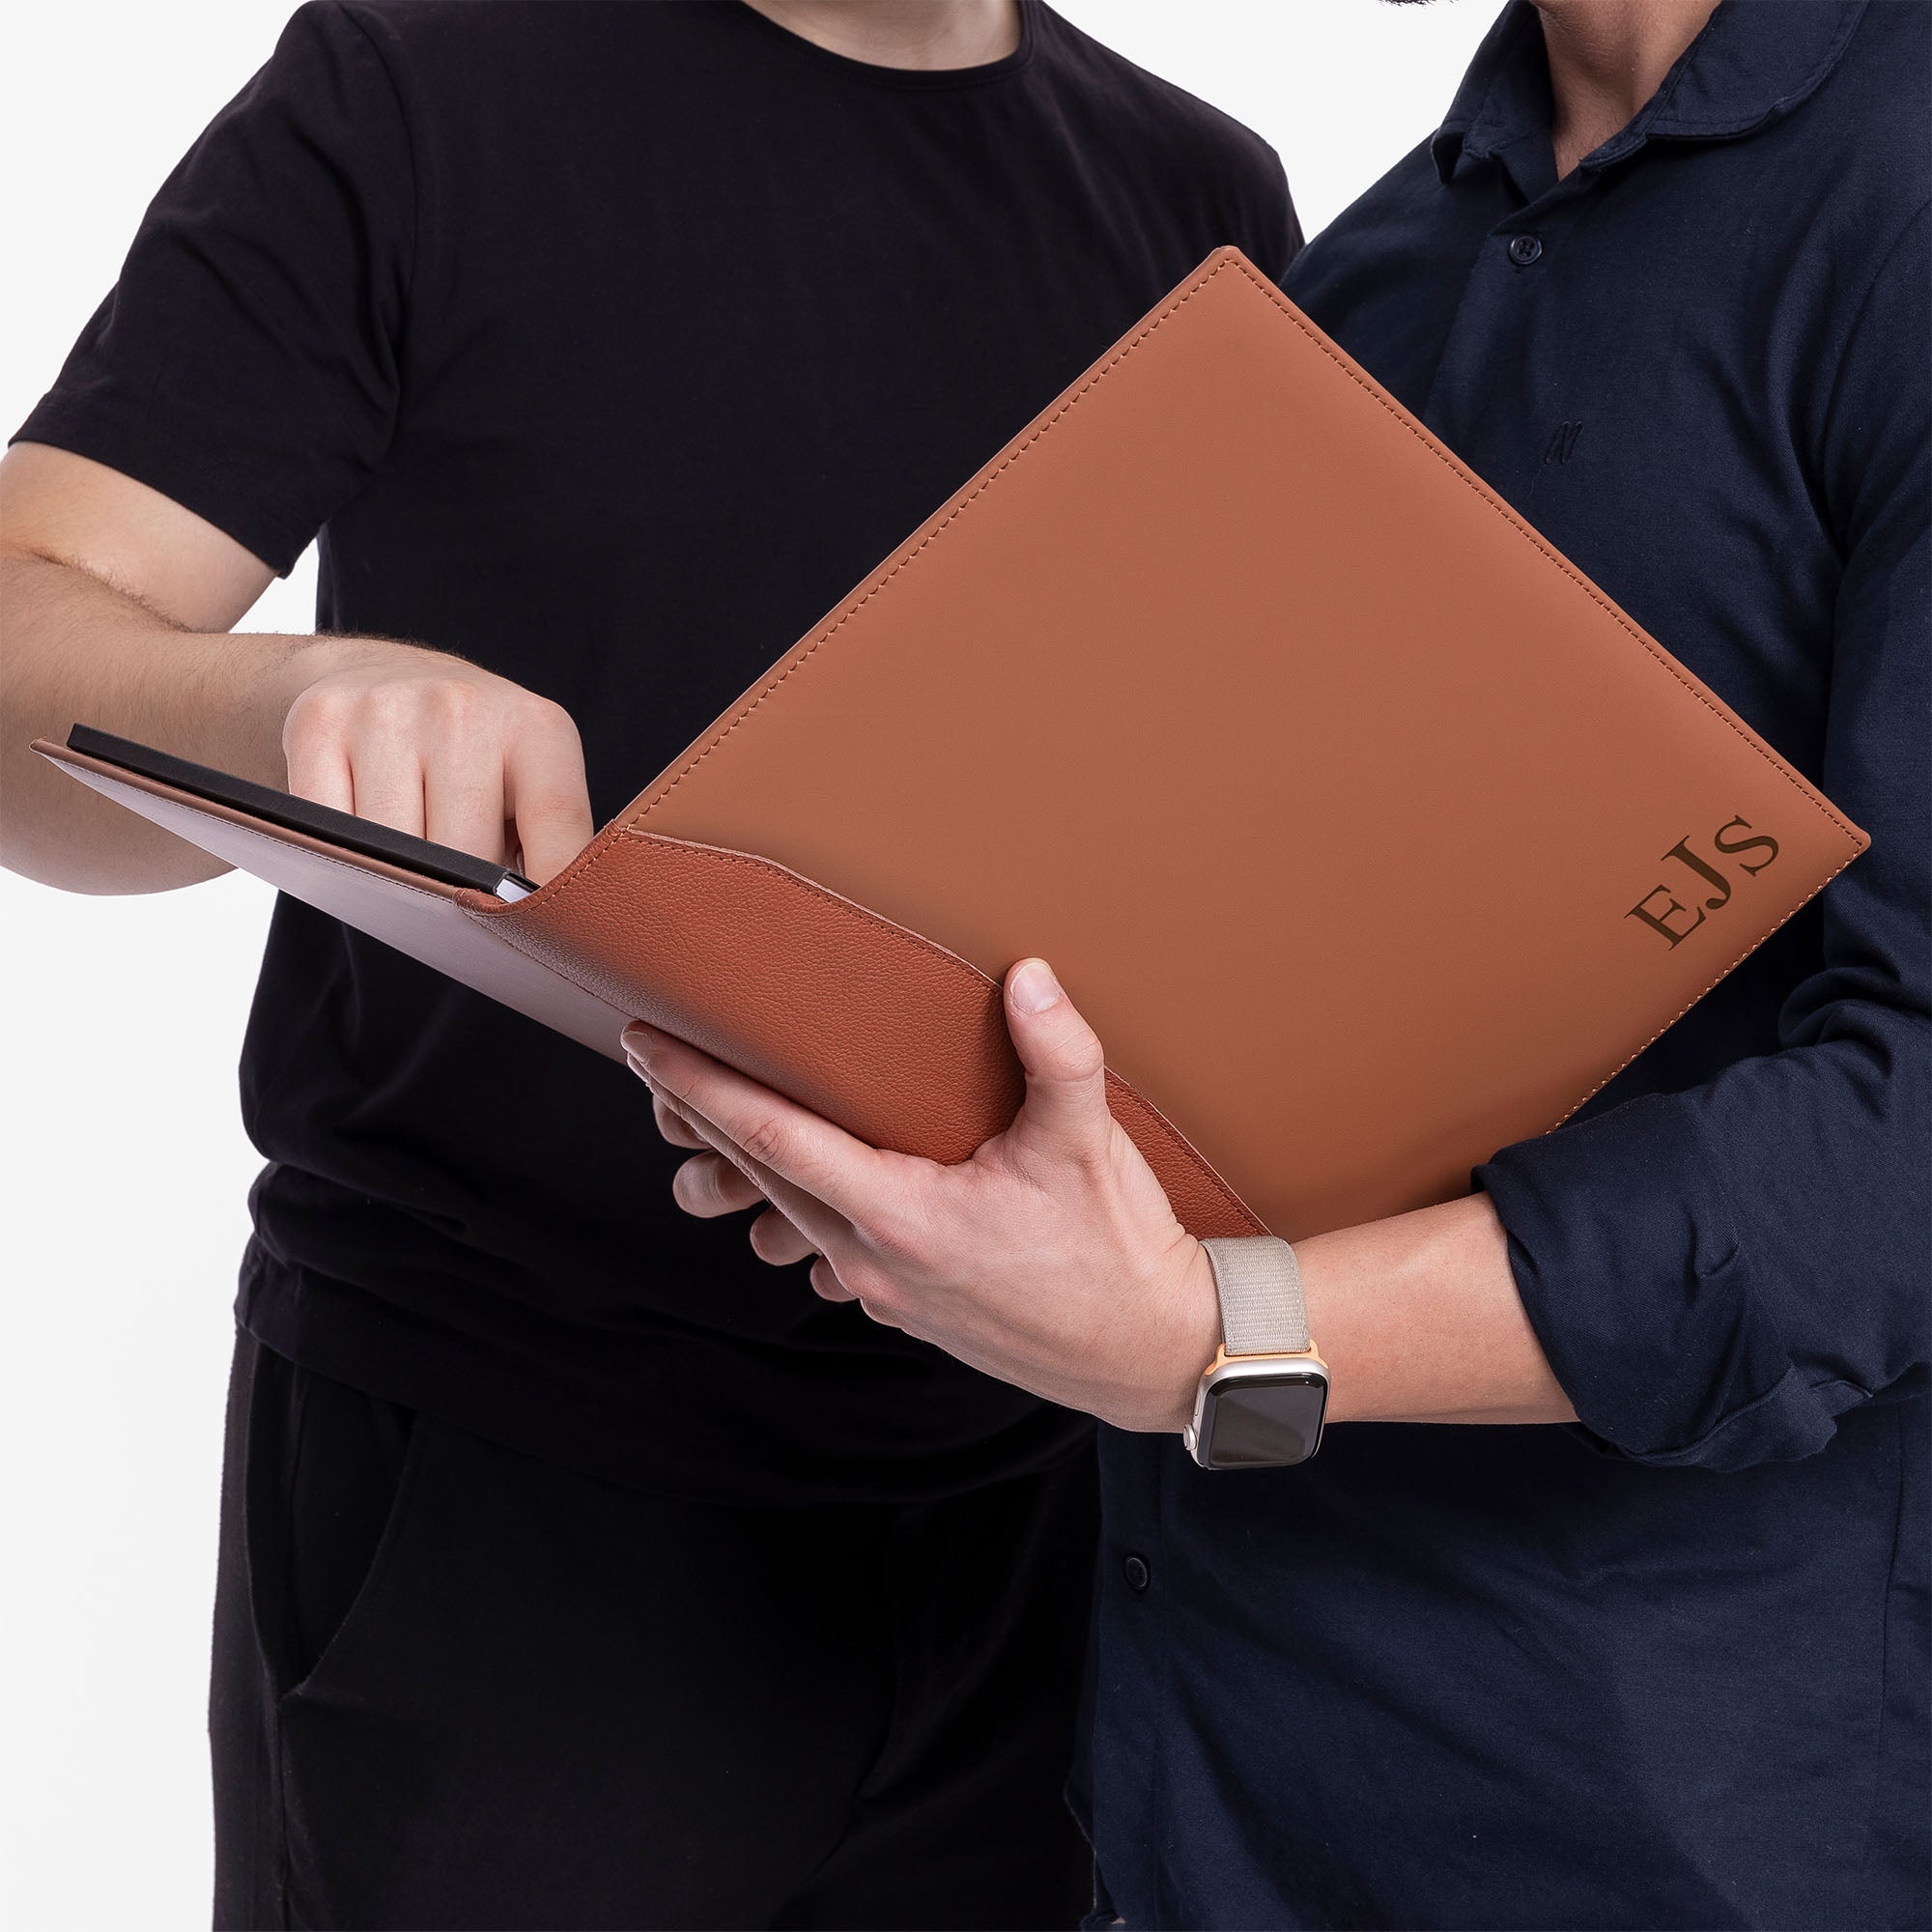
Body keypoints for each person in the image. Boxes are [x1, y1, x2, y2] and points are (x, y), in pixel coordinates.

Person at [623, 1, 1931, 1925]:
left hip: (1665, 1804)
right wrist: (903, 1125)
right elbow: (1229, 982)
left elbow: (1904, 1143)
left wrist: (1213, 1337)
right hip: (1197, 1770)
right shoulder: (1374, 271)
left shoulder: (1897, 188)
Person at [0, 2, 1300, 1924]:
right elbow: (30, 638)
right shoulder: (424, 84)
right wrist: (283, 702)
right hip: (503, 1482)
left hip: (1044, 1499)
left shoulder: (1208, 205)